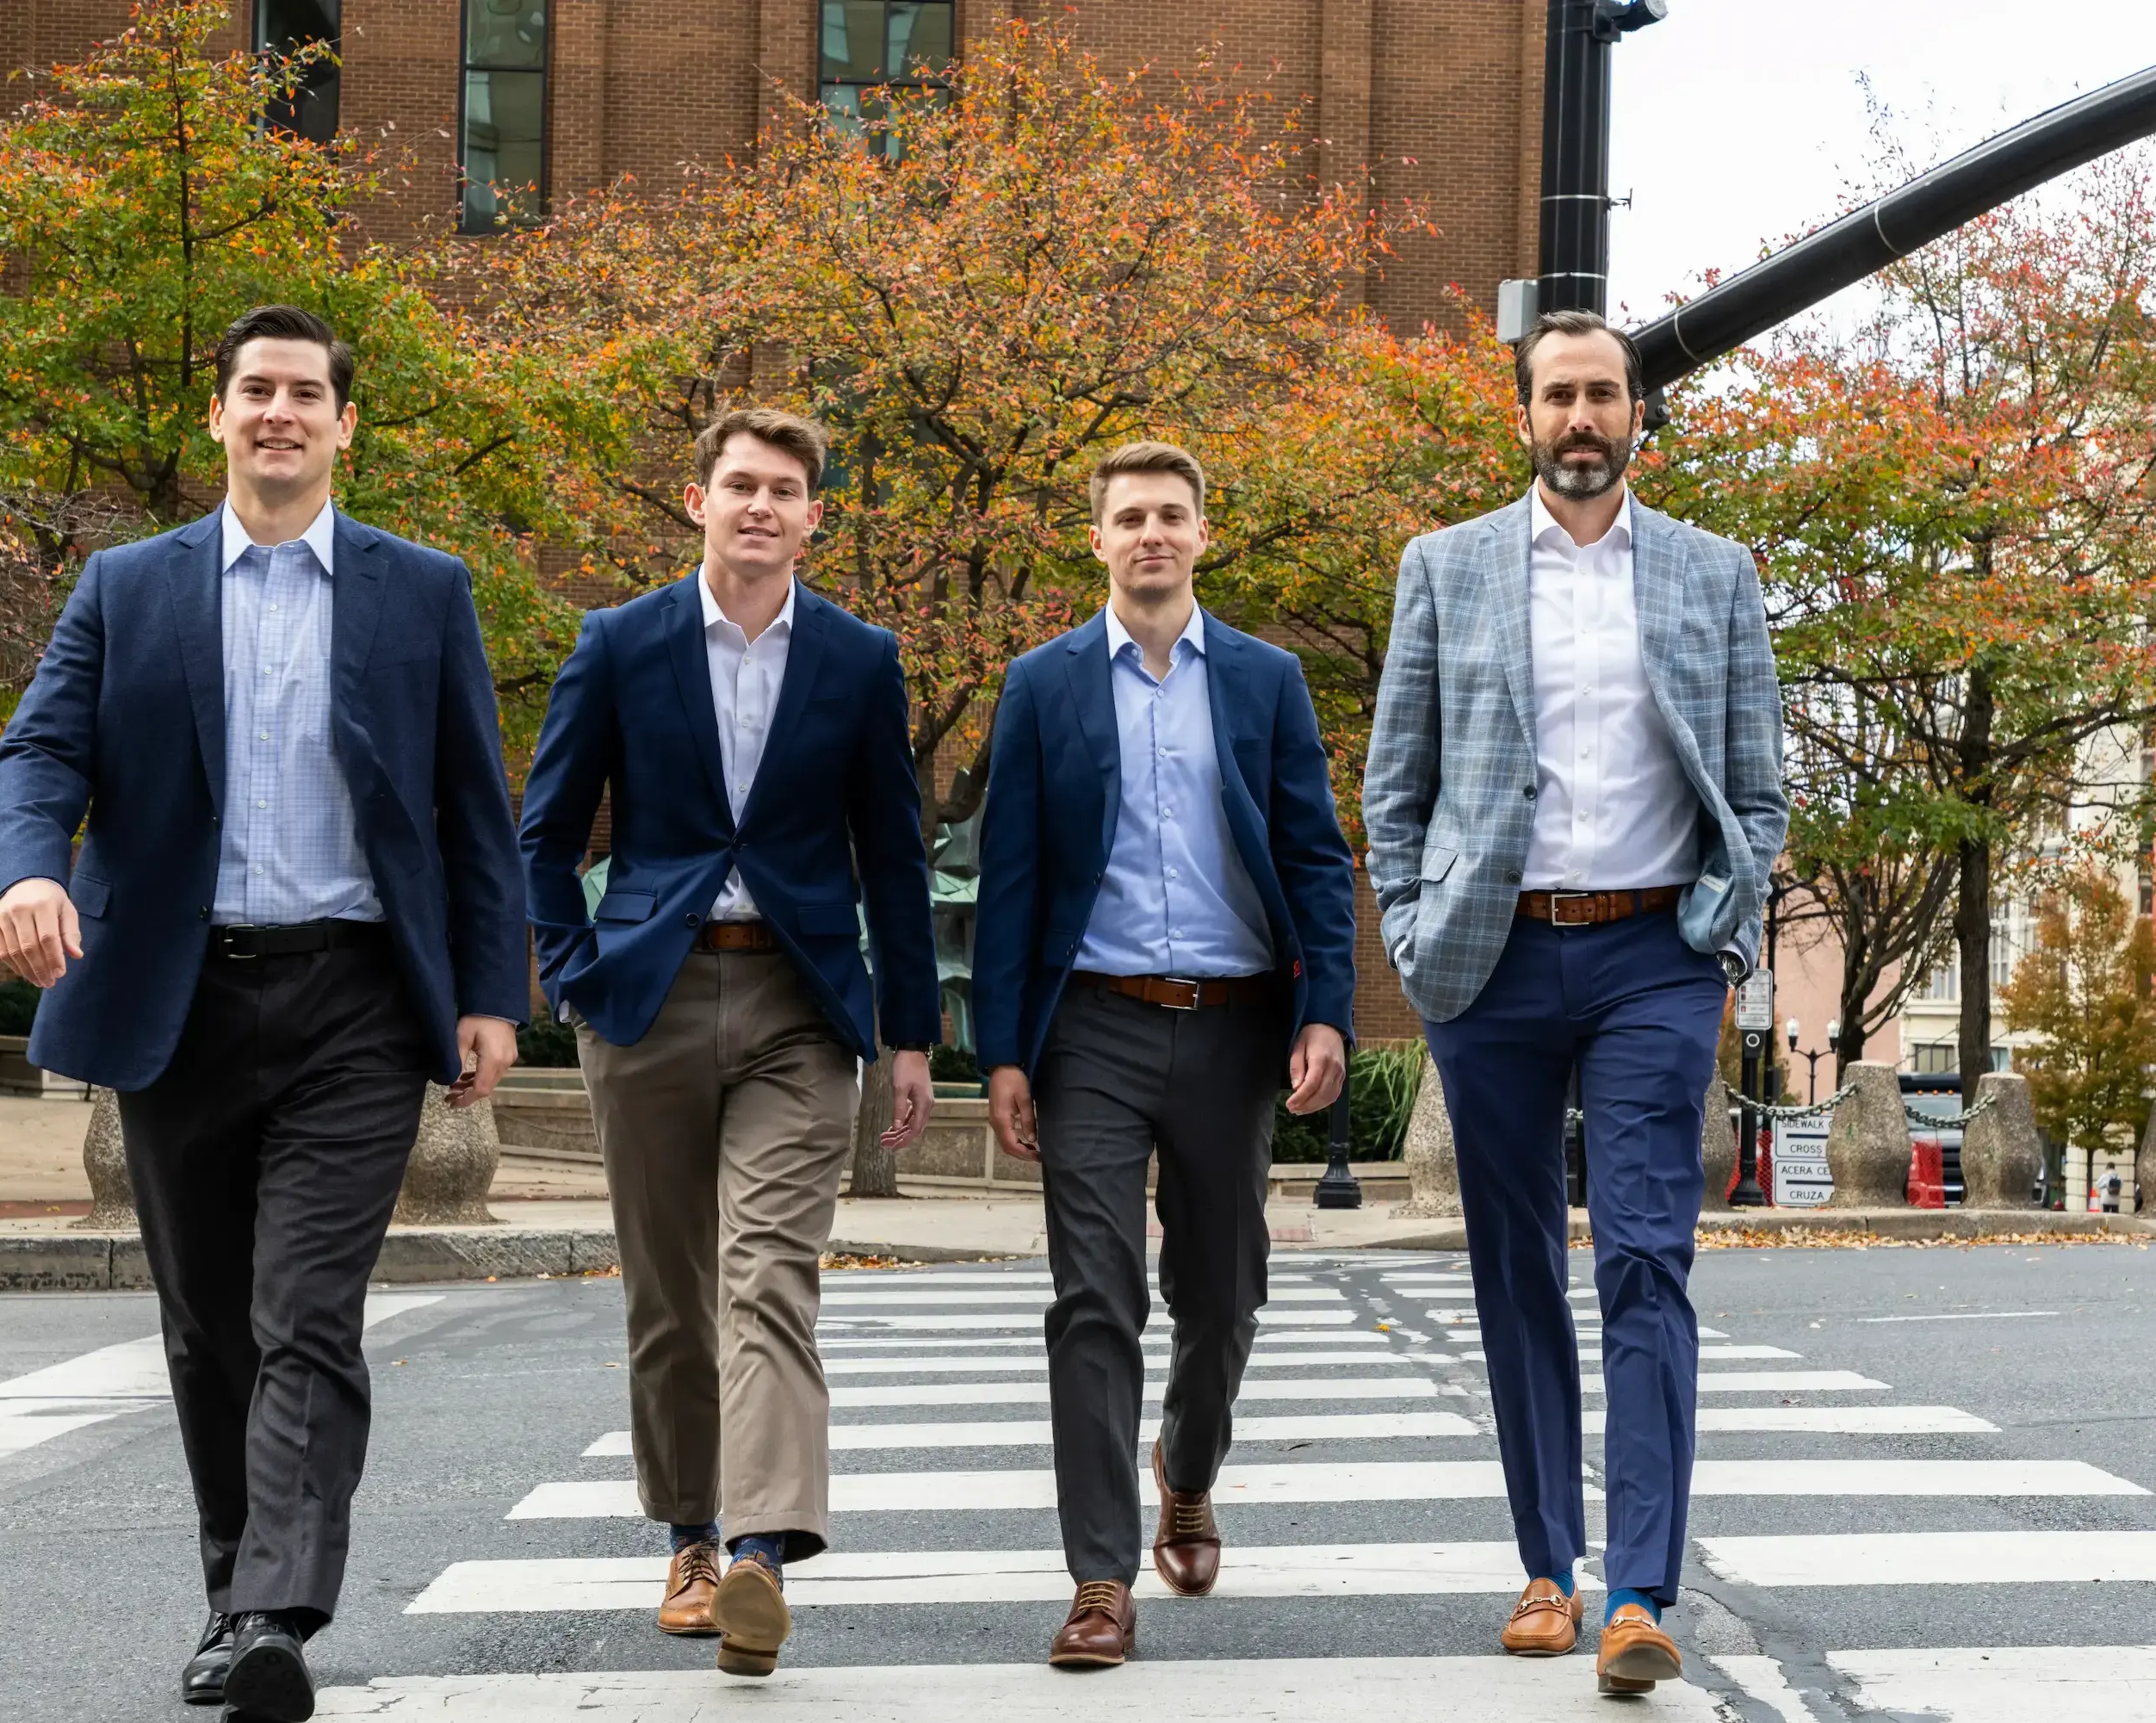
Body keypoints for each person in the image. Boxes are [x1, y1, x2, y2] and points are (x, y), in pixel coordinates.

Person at [0, 305, 527, 1722]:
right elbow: (40, 746)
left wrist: (487, 996)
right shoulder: (127, 586)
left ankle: (276, 1607)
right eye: (254, 392)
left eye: (305, 393)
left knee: (305, 1313)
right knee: (208, 1324)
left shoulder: (424, 590)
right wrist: (31, 868)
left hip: (353, 997)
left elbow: (477, 809)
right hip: (179, 997)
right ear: (218, 419)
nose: (278, 412)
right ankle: (239, 1593)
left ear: (346, 426)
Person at [1361, 309, 1787, 1694]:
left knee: (1646, 1262)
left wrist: (1717, 939)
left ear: (1638, 417)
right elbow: (1395, 783)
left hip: (1653, 955)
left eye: (1606, 393)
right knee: (1514, 1267)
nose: (1584, 416)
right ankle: (1548, 1566)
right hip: (1490, 962)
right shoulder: (1448, 568)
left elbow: (1759, 787)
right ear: (1527, 418)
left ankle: (1641, 1592)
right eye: (1561, 395)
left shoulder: (1716, 575)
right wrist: (1419, 938)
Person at [516, 406, 939, 1679]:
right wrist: (573, 975)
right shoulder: (621, 642)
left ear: (816, 517)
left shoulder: (862, 660)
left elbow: (897, 858)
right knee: (669, 1296)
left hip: (800, 1007)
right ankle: (690, 1536)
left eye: (786, 490)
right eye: (739, 485)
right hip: (646, 999)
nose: (761, 506)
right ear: (695, 499)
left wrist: (910, 1033)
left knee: (769, 1274)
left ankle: (760, 1550)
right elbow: (546, 831)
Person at [972, 440, 1358, 1669]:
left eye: (1171, 516)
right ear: (1098, 540)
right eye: (1129, 516)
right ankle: (1099, 1578)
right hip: (1092, 1022)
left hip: (1238, 1021)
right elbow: (1013, 880)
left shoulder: (1265, 679)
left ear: (1202, 535)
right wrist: (1005, 1054)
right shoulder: (1041, 686)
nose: (1151, 534)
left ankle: (1187, 1472)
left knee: (1224, 1291)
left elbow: (1312, 859)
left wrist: (1327, 1012)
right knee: (1094, 1298)